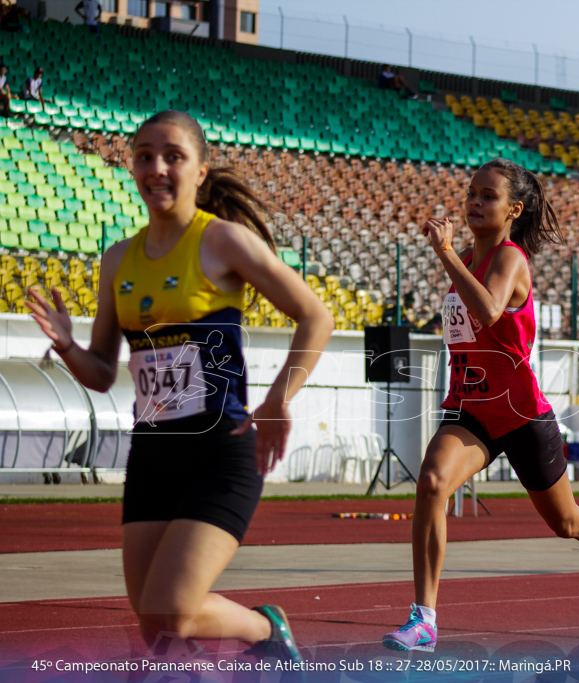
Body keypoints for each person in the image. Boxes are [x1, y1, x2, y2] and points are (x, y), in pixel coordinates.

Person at [26, 111, 334, 662]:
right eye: (144, 155)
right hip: (153, 457)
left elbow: (316, 316)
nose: (157, 168)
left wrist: (277, 398)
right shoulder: (119, 259)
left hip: (219, 453)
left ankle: (266, 629)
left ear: (199, 171)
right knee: (156, 623)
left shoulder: (222, 242)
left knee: (174, 609)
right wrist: (69, 346)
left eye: (173, 156)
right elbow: (102, 373)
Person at [382, 158, 579, 653]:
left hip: (522, 415)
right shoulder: (469, 261)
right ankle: (424, 620)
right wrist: (453, 257)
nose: (475, 201)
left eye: (488, 196)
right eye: (471, 192)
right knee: (432, 482)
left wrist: (445, 253)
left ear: (514, 209)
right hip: (471, 409)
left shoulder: (510, 258)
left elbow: (490, 309)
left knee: (566, 523)